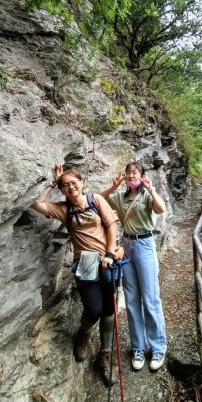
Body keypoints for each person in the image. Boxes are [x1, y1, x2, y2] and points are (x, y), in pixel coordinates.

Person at [31, 164, 119, 387]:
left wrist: (109, 254)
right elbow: (37, 204)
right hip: (86, 265)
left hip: (108, 261)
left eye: (74, 182)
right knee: (94, 309)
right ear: (62, 190)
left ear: (82, 183)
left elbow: (111, 226)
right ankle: (84, 334)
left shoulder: (96, 200)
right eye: (66, 185)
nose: (71, 187)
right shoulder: (63, 210)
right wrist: (54, 181)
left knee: (109, 310)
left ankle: (105, 354)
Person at [101, 161, 167, 372]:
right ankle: (138, 347)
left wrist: (150, 187)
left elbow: (160, 208)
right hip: (126, 246)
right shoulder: (120, 197)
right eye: (128, 173)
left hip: (145, 244)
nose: (131, 175)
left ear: (142, 175)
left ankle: (157, 347)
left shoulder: (146, 194)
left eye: (135, 172)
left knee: (150, 298)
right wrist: (113, 186)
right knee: (131, 300)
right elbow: (100, 201)